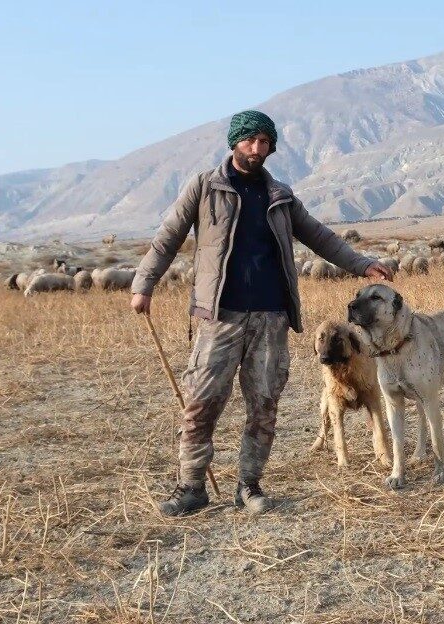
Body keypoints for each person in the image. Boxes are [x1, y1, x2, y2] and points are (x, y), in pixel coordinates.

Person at [131, 110, 393, 516]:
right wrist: (143, 284)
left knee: (265, 403)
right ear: (234, 142)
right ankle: (191, 487)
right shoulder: (205, 187)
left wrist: (361, 265)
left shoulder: (281, 197)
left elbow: (320, 237)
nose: (257, 149)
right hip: (219, 316)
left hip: (271, 317)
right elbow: (168, 238)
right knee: (201, 401)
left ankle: (249, 485)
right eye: (250, 140)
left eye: (265, 142)